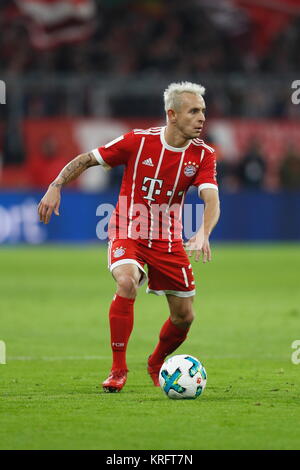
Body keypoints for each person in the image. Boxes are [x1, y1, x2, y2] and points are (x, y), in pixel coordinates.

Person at [38, 81, 220, 392]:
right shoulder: (138, 141)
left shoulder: (203, 155)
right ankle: (118, 369)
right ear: (172, 114)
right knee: (126, 281)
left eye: (203, 111)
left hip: (167, 239)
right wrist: (56, 185)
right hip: (128, 229)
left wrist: (203, 231)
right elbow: (87, 159)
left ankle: (155, 362)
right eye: (194, 111)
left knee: (184, 317)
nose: (202, 117)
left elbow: (211, 199)